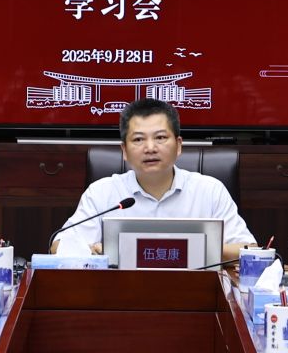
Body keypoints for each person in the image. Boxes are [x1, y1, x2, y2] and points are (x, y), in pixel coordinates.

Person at [53, 98, 256, 261]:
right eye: (138, 139)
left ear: (178, 145)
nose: (150, 148)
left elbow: (249, 249)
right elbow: (58, 246)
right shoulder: (102, 192)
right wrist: (96, 251)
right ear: (124, 150)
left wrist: (183, 248)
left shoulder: (209, 190)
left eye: (160, 137)